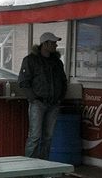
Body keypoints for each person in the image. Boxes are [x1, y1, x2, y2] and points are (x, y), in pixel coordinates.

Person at [17, 31, 68, 160]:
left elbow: (63, 81)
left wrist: (59, 98)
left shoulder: (57, 62)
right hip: (38, 103)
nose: (56, 45)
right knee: (35, 136)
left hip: (53, 103)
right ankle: (29, 166)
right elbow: (23, 82)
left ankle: (42, 165)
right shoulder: (30, 60)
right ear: (45, 44)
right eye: (53, 43)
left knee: (48, 137)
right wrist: (33, 99)